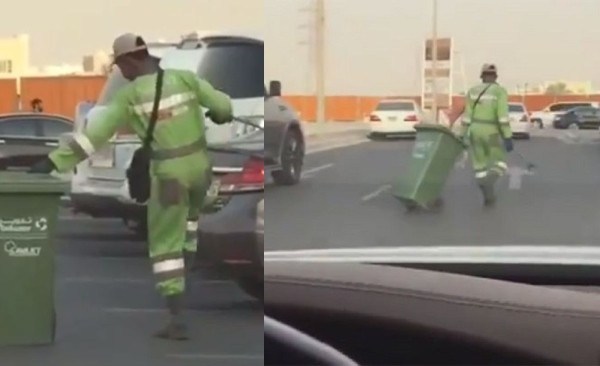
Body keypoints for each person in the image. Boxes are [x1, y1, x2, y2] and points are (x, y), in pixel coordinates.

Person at [29, 33, 234, 340]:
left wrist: (53, 161)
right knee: (189, 226)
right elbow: (222, 106)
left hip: (169, 177)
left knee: (165, 247)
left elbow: (92, 136)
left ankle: (176, 317)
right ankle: (187, 276)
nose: (120, 73)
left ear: (130, 60)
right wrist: (219, 115)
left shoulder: (129, 96)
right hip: (200, 171)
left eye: (120, 66)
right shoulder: (186, 80)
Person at [458, 64, 513, 207]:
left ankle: (488, 196)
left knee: (479, 166)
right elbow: (502, 117)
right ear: (495, 77)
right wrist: (507, 136)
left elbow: (467, 116)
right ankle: (490, 182)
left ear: (482, 76)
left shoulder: (472, 92)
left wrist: (461, 135)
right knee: (499, 162)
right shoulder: (499, 92)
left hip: (475, 131)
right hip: (492, 131)